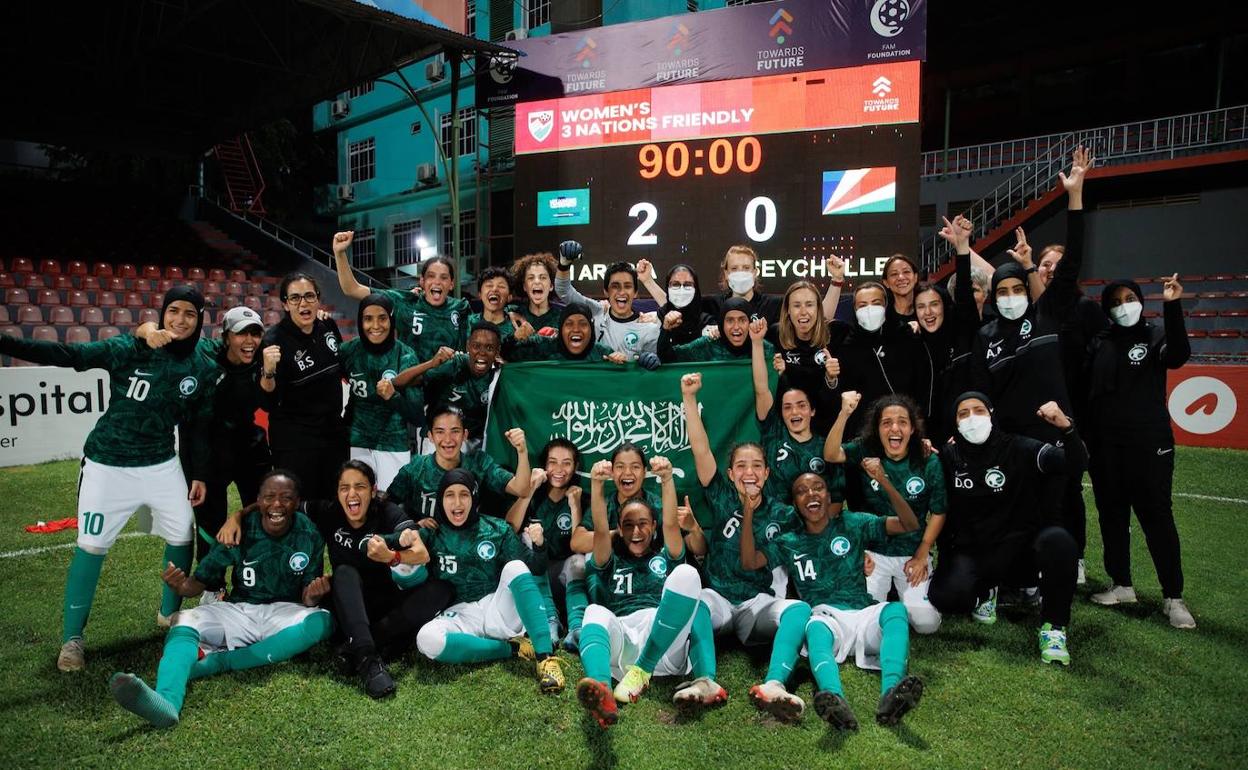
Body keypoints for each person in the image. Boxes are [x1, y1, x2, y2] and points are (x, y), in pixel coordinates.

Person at [0, 286, 220, 672]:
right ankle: (72, 640)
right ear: (162, 313)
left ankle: (169, 614)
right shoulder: (131, 348)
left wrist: (199, 472)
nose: (180, 321)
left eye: (189, 313)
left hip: (160, 463)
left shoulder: (203, 363)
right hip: (107, 463)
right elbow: (69, 354)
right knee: (92, 546)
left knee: (182, 532)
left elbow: (200, 425)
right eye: (173, 312)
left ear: (201, 319)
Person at [109, 471, 333, 728]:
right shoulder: (238, 530)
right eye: (269, 497)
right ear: (258, 500)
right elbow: (197, 584)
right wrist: (181, 586)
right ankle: (167, 703)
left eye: (286, 498)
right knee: (184, 618)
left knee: (323, 621)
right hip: (240, 610)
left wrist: (313, 594)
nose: (277, 505)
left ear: (296, 501)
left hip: (284, 612)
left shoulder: (309, 534)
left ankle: (217, 662)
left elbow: (307, 598)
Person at [976, 146, 1095, 581]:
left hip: (1053, 430)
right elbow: (980, 388)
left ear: (1027, 290)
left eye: (1015, 290)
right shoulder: (986, 335)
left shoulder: (1048, 315)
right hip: (1010, 439)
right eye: (1000, 291)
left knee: (1059, 503)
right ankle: (1021, 578)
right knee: (1018, 509)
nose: (1008, 297)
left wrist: (1075, 198)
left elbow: (1071, 265)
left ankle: (1066, 567)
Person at [739, 472, 922, 729]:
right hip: (827, 618)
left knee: (896, 611)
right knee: (814, 628)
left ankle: (892, 693)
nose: (811, 494)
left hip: (863, 612)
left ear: (828, 496)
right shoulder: (789, 542)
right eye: (802, 490)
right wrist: (748, 511)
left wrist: (884, 481)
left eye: (818, 487)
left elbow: (909, 524)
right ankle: (833, 697)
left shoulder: (853, 523)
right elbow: (749, 562)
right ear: (795, 503)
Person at [927, 393, 1085, 665]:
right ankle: (987, 590)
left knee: (1058, 542)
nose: (972, 418)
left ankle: (1054, 627)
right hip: (975, 551)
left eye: (979, 410)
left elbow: (1076, 463)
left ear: (991, 414)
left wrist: (1066, 427)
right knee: (945, 597)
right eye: (963, 414)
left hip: (1020, 548)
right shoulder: (948, 456)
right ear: (954, 423)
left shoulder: (1019, 447)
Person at [677, 372, 802, 711]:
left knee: (799, 611)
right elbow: (701, 450)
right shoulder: (720, 496)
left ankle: (774, 684)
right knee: (696, 602)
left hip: (754, 602)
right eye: (741, 466)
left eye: (757, 466)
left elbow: (755, 561)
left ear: (766, 473)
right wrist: (689, 398)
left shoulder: (783, 514)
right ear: (730, 474)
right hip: (717, 596)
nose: (750, 472)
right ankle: (704, 680)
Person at [1085, 274, 1195, 628]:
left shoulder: (1155, 336)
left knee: (1157, 518)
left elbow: (1178, 355)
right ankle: (1121, 585)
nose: (1123, 305)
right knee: (1112, 517)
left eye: (1129, 297)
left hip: (1150, 445)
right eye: (1115, 301)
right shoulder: (1099, 343)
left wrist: (1173, 305)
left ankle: (1173, 597)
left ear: (1141, 300)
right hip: (1106, 448)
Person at [575, 455, 712, 728]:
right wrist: (599, 486)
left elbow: (672, 525)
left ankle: (646, 669)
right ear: (619, 530)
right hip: (623, 642)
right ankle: (602, 693)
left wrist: (668, 478)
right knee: (594, 611)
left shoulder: (666, 552)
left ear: (654, 526)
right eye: (628, 525)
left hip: (661, 644)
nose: (636, 531)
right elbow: (600, 531)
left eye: (643, 524)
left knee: (687, 574)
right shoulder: (609, 558)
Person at [399, 468, 564, 693]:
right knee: (426, 639)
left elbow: (535, 567)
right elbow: (403, 575)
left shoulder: (497, 528)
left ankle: (546, 658)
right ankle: (510, 649)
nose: (457, 502)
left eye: (464, 494)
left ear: (474, 497)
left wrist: (540, 545)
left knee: (515, 567)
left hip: (497, 608)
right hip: (460, 615)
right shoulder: (431, 533)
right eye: (450, 495)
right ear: (440, 500)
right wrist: (403, 540)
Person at [136, 305, 271, 575]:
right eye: (241, 334)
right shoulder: (205, 352)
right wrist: (149, 330)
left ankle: (262, 576)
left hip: (247, 442)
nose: (249, 341)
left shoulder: (264, 357)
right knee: (210, 519)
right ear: (225, 336)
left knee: (261, 512)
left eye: (255, 334)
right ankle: (212, 584)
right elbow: (146, 335)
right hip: (205, 446)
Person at [825, 391, 945, 634]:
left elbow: (939, 512)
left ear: (912, 429)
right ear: (877, 429)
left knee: (925, 624)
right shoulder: (864, 449)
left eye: (902, 422)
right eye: (886, 422)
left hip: (910, 551)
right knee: (864, 618)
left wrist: (923, 553)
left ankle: (905, 596)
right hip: (873, 552)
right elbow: (830, 453)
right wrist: (844, 412)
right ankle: (887, 595)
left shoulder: (926, 460)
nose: (895, 428)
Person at [259, 273, 348, 501]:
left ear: (318, 299)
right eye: (295, 298)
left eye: (309, 296)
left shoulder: (327, 324)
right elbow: (268, 402)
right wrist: (268, 371)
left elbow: (344, 367)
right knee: (299, 503)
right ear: (285, 304)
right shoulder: (273, 341)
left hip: (332, 433)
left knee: (333, 499)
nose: (303, 303)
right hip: (295, 440)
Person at [333, 231, 469, 359]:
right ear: (422, 281)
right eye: (431, 276)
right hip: (411, 381)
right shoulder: (404, 302)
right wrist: (339, 253)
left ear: (452, 283)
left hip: (449, 383)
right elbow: (352, 289)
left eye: (444, 277)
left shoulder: (461, 308)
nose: (437, 282)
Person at [507, 440, 590, 650]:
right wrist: (530, 490)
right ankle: (549, 620)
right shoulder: (536, 495)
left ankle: (577, 628)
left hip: (568, 581)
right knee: (528, 539)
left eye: (566, 463)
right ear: (544, 465)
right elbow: (510, 527)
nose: (559, 470)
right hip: (536, 580)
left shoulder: (582, 497)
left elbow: (579, 547)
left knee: (579, 561)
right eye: (553, 462)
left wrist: (575, 507)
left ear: (576, 466)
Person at [750, 317, 842, 502]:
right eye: (787, 407)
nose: (794, 412)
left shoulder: (826, 447)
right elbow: (761, 389)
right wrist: (757, 343)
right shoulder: (773, 432)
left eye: (801, 405)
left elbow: (837, 502)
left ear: (812, 411)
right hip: (776, 525)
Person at [340, 294, 425, 490]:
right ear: (360, 321)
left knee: (392, 506)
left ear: (392, 319)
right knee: (359, 504)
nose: (375, 325)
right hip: (357, 442)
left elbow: (418, 417)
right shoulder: (348, 351)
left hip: (393, 444)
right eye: (368, 319)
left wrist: (393, 397)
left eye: (382, 318)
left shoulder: (405, 355)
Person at [385, 407, 531, 520]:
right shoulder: (415, 468)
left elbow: (521, 490)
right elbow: (386, 506)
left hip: (467, 541)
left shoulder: (479, 463)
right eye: (440, 432)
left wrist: (522, 451)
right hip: (425, 545)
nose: (448, 440)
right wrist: (412, 526)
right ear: (430, 436)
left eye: (455, 431)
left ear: (465, 435)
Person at [920, 215, 992, 443]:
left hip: (974, 423)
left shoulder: (972, 328)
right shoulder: (917, 338)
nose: (928, 312)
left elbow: (966, 295)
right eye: (921, 307)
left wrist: (962, 248)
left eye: (933, 305)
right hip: (936, 432)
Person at [553, 241, 660, 359]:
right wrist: (564, 264)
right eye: (615, 286)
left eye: (627, 286)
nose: (622, 292)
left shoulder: (649, 328)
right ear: (605, 291)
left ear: (635, 293)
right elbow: (563, 291)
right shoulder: (596, 312)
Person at [404, 322, 503, 449]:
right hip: (437, 439)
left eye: (489, 348)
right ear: (468, 345)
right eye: (476, 346)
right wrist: (431, 363)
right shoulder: (455, 364)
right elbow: (406, 382)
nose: (482, 353)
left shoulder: (499, 375)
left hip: (473, 442)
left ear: (497, 351)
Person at [771, 279, 844, 436]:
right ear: (787, 310)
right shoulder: (775, 335)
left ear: (819, 309)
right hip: (786, 427)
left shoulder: (835, 335)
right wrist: (778, 375)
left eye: (809, 305)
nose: (803, 312)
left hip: (825, 426)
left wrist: (831, 379)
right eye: (797, 305)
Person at [569, 442, 662, 554]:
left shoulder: (656, 504)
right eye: (620, 467)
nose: (627, 472)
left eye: (635, 467)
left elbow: (676, 543)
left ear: (644, 472)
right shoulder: (605, 504)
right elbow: (577, 543)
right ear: (612, 472)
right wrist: (619, 534)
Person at [503, 303, 629, 364]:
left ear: (591, 329)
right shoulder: (544, 347)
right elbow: (506, 354)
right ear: (561, 329)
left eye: (583, 324)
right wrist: (514, 338)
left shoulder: (602, 353)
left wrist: (621, 362)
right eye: (569, 324)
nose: (576, 329)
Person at [659, 297, 774, 363]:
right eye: (730, 320)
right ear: (721, 325)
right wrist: (666, 330)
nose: (736, 326)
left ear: (750, 322)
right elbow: (667, 357)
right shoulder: (707, 346)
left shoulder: (765, 349)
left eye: (742, 320)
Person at [703, 245, 782, 325]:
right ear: (726, 273)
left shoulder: (773, 306)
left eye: (746, 268)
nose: (740, 273)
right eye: (734, 268)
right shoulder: (712, 305)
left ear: (754, 272)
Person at [646, 261, 716, 347]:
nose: (681, 290)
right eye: (675, 284)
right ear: (667, 288)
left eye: (688, 285)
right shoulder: (657, 319)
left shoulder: (708, 322)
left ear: (696, 289)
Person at [508, 252, 563, 333]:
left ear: (551, 286)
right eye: (531, 278)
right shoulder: (513, 314)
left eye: (543, 277)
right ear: (524, 287)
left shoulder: (562, 318)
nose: (537, 281)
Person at [468, 266, 515, 339]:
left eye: (501, 286)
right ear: (479, 294)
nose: (494, 289)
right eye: (489, 285)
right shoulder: (467, 324)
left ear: (509, 297)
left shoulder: (516, 327)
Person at [882, 254, 921, 325]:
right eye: (894, 274)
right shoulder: (881, 318)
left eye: (906, 272)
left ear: (915, 277)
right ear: (886, 282)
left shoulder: (925, 314)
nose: (901, 277)